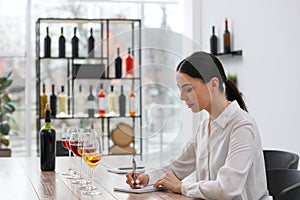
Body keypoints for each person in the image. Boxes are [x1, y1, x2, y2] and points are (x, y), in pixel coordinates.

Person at [126, 51, 271, 199]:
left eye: (188, 89)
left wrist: (181, 186)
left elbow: (226, 189)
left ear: (214, 84)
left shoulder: (242, 126)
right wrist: (148, 177)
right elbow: (178, 167)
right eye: (180, 90)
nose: (182, 97)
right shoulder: (204, 127)